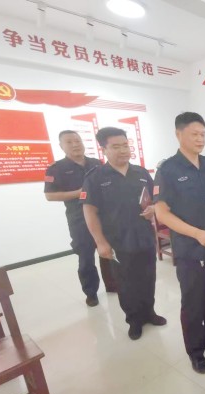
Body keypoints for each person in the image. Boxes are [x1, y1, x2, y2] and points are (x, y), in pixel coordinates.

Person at [154, 112, 205, 375]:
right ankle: (196, 350)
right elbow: (162, 213)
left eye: (203, 134)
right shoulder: (168, 170)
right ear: (178, 134)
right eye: (194, 134)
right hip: (190, 249)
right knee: (193, 301)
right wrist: (196, 233)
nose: (200, 139)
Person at [82, 127, 166, 340]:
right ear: (104, 150)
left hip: (144, 237)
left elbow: (155, 200)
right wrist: (100, 242)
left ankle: (149, 313)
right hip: (118, 240)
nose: (123, 150)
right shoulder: (96, 177)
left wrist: (153, 209)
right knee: (126, 283)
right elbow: (89, 211)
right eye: (116, 147)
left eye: (125, 145)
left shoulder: (141, 173)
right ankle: (134, 320)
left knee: (148, 278)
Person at [44, 130, 116, 307]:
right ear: (61, 146)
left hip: (103, 216)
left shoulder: (96, 163)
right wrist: (80, 193)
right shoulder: (56, 168)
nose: (75, 144)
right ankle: (91, 293)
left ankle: (112, 285)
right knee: (86, 257)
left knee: (108, 251)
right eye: (69, 142)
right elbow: (50, 196)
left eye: (77, 140)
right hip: (79, 220)